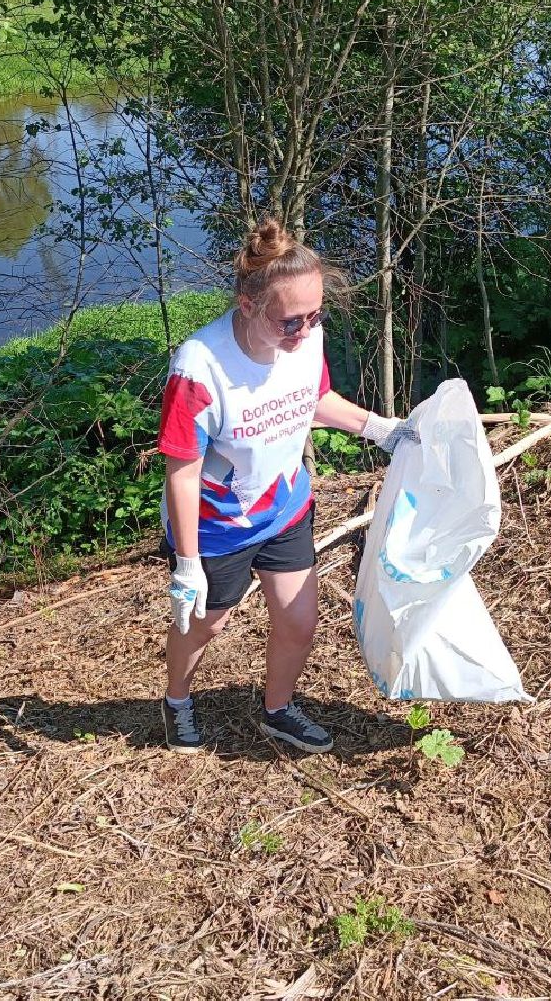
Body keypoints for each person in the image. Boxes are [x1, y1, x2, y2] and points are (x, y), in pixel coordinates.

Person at [156, 218, 415, 754]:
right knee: (207, 625)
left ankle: (278, 709)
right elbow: (181, 470)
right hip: (216, 526)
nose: (303, 332)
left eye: (314, 316)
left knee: (299, 619)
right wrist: (186, 564)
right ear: (248, 305)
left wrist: (380, 428)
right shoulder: (199, 368)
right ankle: (176, 700)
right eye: (289, 322)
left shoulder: (307, 339)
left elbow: (313, 402)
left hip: (284, 505)